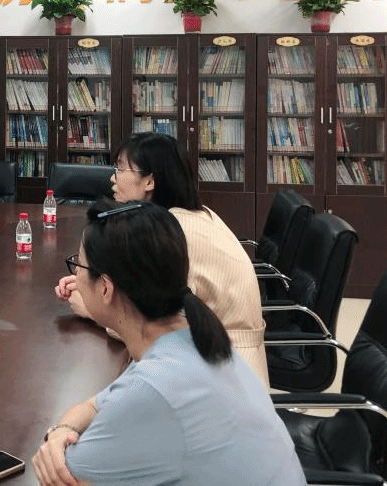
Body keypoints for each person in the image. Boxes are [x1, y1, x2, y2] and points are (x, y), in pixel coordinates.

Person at [33, 200, 305, 486]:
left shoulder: (154, 386)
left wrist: (54, 445)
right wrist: (61, 430)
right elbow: (95, 405)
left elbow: (63, 478)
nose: (75, 277)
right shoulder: (190, 337)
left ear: (105, 288)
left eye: (78, 264)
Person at [54, 132, 269, 386]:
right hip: (215, 358)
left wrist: (93, 309)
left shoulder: (177, 232)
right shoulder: (190, 215)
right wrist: (90, 284)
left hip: (224, 374)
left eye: (120, 169)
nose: (112, 178)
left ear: (149, 181)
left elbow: (153, 327)